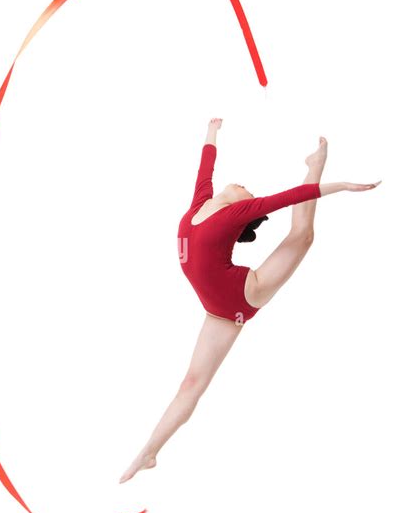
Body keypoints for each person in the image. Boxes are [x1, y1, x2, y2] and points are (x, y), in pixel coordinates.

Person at [119, 118, 380, 483]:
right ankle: (148, 453)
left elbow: (290, 197)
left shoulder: (235, 214)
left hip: (242, 292)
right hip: (216, 310)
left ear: (246, 209)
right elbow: (205, 165)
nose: (244, 186)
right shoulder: (201, 203)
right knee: (190, 385)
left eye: (248, 191)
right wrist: (212, 131)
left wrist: (341, 186)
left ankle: (314, 165)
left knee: (302, 235)